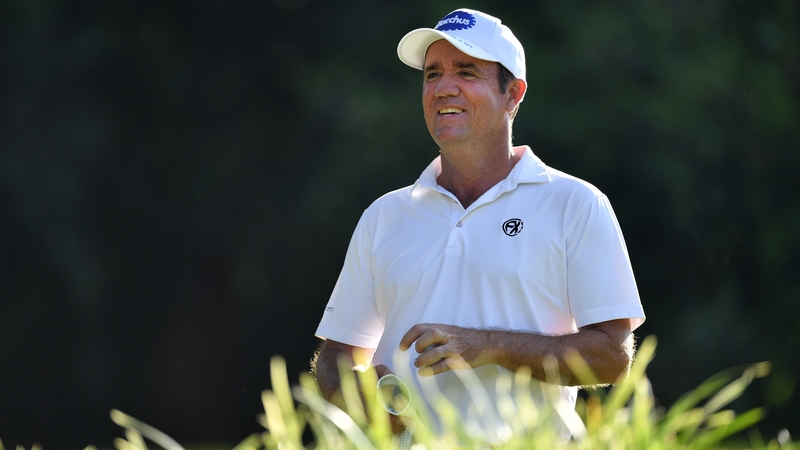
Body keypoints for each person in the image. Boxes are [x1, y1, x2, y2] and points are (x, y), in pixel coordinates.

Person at [311, 7, 645, 441]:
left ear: (513, 94)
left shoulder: (576, 204)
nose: (443, 88)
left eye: (466, 72)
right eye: (432, 74)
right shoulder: (384, 216)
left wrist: (488, 346)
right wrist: (359, 396)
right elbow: (337, 354)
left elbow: (612, 356)